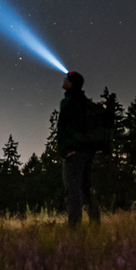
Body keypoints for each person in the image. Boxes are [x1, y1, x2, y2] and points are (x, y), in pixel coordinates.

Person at [57, 70, 101, 227]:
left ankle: (74, 228)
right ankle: (96, 225)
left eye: (66, 79)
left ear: (71, 83)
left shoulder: (68, 102)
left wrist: (64, 150)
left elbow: (63, 128)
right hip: (87, 151)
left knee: (73, 192)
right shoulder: (85, 102)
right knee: (87, 189)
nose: (63, 81)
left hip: (73, 152)